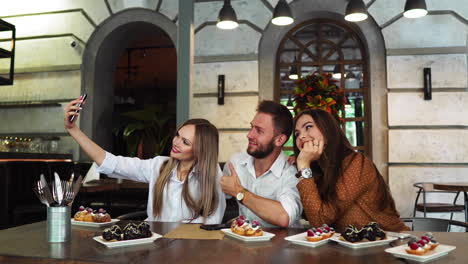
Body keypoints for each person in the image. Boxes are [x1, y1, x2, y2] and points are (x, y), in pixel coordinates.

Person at [64, 98, 226, 224]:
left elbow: (211, 222)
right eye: (177, 135)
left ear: (200, 150)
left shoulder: (212, 175)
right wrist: (73, 130)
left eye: (185, 142)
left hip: (191, 249)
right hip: (154, 244)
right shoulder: (158, 165)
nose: (176, 142)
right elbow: (111, 162)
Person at [293, 109, 408, 232]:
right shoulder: (317, 170)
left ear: (328, 129)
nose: (302, 136)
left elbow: (320, 220)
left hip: (390, 242)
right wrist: (299, 167)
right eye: (297, 134)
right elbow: (308, 213)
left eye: (308, 127)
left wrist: (303, 164)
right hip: (347, 246)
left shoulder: (357, 163)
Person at [220, 100, 302, 228]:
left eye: (259, 131)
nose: (249, 135)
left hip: (283, 246)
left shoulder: (292, 173)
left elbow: (284, 216)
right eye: (251, 127)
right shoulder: (235, 163)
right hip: (244, 243)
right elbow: (214, 200)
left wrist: (239, 192)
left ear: (279, 139)